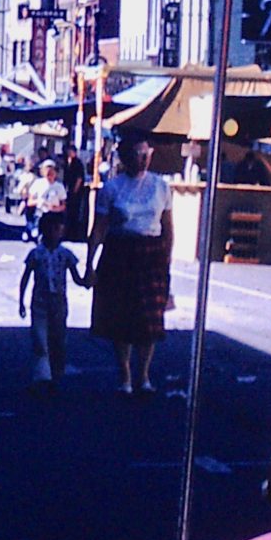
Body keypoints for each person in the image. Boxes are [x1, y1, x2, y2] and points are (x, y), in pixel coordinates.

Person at [85, 134, 173, 394]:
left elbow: (168, 228)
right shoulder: (112, 188)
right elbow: (99, 229)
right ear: (125, 158)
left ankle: (144, 375)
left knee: (149, 320)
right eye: (137, 154)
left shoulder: (161, 186)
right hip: (120, 253)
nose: (142, 160)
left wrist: (166, 261)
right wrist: (89, 265)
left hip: (151, 253)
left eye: (146, 154)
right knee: (122, 319)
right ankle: (125, 374)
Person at [19, 211, 83, 389]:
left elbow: (77, 278)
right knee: (40, 339)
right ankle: (42, 376)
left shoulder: (66, 255)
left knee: (58, 339)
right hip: (39, 302)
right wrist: (21, 302)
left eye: (59, 228)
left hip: (59, 303)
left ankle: (55, 374)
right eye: (53, 228)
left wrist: (89, 281)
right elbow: (26, 277)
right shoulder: (36, 254)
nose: (57, 232)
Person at [26, 158, 68, 238]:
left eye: (52, 171)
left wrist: (55, 208)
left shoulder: (59, 186)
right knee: (38, 236)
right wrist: (39, 201)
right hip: (40, 214)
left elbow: (63, 205)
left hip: (54, 215)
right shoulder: (38, 183)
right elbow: (29, 201)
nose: (50, 173)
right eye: (47, 171)